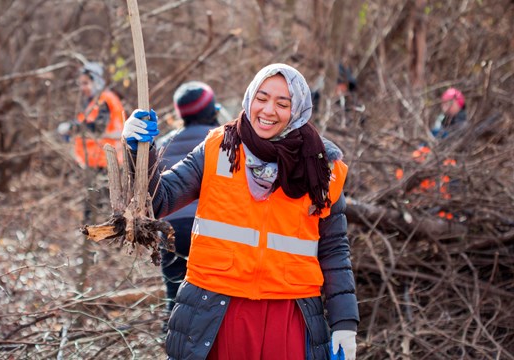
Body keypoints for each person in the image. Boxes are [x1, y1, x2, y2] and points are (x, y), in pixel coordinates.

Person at [123, 63, 359, 359]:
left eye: (282, 103)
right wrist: (138, 153)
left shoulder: (323, 167)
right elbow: (159, 200)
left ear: (297, 109)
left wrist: (344, 324)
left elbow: (335, 249)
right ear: (249, 98)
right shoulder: (218, 147)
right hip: (216, 312)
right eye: (261, 98)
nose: (268, 110)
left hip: (289, 315)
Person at [155, 81, 220, 322]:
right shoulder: (223, 140)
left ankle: (172, 337)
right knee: (213, 296)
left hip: (170, 228)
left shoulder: (164, 144)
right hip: (211, 229)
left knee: (175, 294)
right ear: (212, 110)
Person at [58, 62, 126, 169]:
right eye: (80, 84)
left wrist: (72, 128)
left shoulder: (105, 100)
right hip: (95, 162)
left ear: (96, 81)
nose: (82, 88)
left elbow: (97, 128)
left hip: (107, 162)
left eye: (86, 83)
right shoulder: (93, 103)